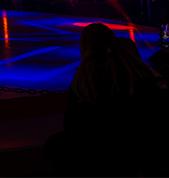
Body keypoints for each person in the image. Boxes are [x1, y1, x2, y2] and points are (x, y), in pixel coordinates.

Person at [45, 23, 168, 176]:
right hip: (141, 137)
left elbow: (72, 120)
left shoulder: (88, 73)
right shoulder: (134, 66)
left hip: (108, 143)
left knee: (55, 146)